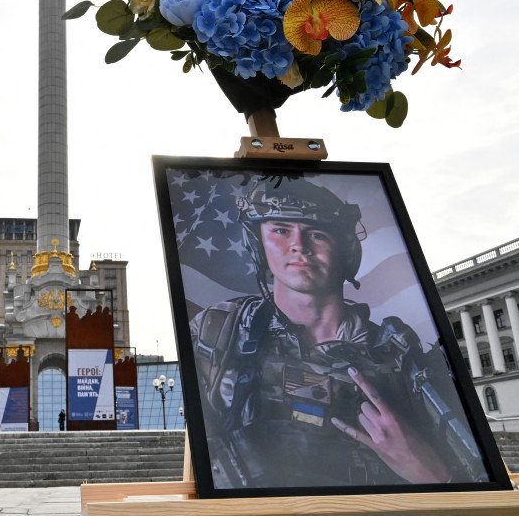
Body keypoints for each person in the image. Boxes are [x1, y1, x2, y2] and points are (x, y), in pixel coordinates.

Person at [189, 178, 486, 489]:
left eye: (317, 234)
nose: (299, 246)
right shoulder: (219, 330)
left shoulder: (400, 359)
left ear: (346, 250)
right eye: (281, 230)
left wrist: (428, 471)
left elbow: (473, 483)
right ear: (258, 243)